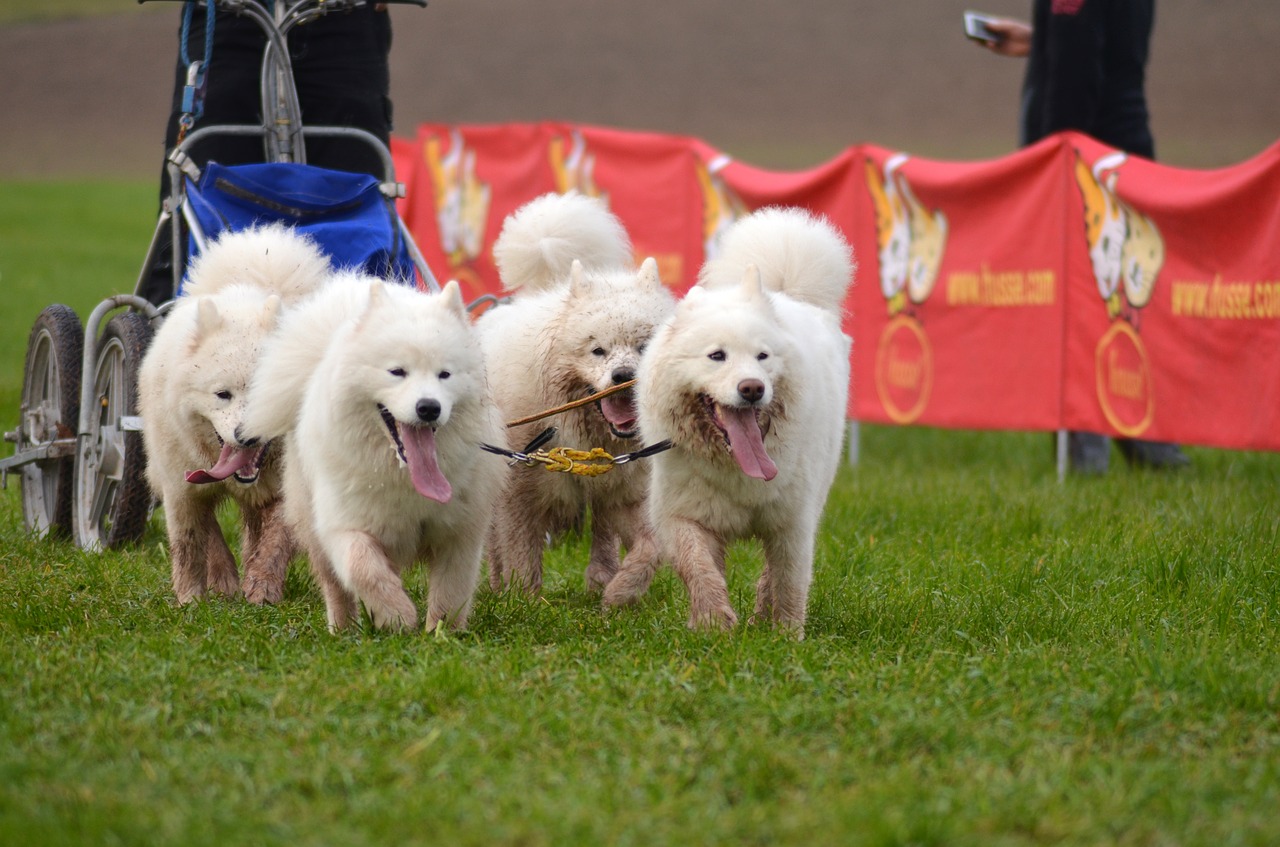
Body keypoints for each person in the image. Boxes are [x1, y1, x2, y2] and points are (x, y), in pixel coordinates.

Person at [975, 0, 1189, 473]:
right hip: (1129, 153)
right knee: (1125, 301)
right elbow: (1106, 46)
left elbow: (1075, 79)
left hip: (1084, 161)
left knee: (1076, 306)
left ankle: (1085, 454)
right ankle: (1149, 441)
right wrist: (1040, 41)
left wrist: (1051, 163)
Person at [140, 1, 394, 306]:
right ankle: (163, 316)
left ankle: (372, 318)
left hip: (345, 19)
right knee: (197, 174)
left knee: (359, 191)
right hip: (224, 18)